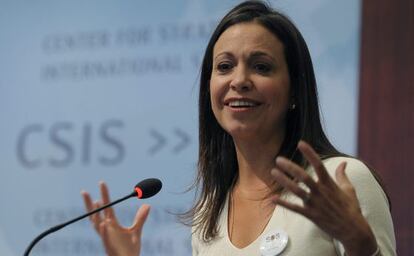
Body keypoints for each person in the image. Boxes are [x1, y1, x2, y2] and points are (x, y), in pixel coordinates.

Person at [81, 1, 396, 255]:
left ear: (295, 92)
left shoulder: (341, 180)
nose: (239, 80)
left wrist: (361, 247)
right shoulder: (209, 211)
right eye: (225, 66)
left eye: (261, 66)